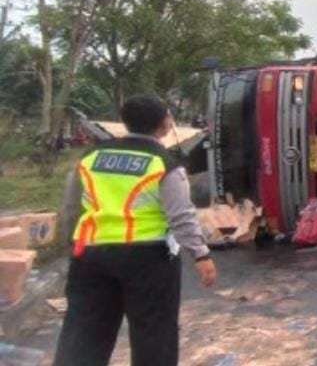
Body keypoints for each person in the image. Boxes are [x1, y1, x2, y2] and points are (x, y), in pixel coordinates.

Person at [54, 95, 217, 366]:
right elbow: (182, 216)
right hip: (148, 259)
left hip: (91, 256)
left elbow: (71, 208)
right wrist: (201, 255)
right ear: (164, 124)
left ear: (126, 123)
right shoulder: (163, 164)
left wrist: (73, 245)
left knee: (83, 333)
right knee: (154, 333)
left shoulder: (91, 157)